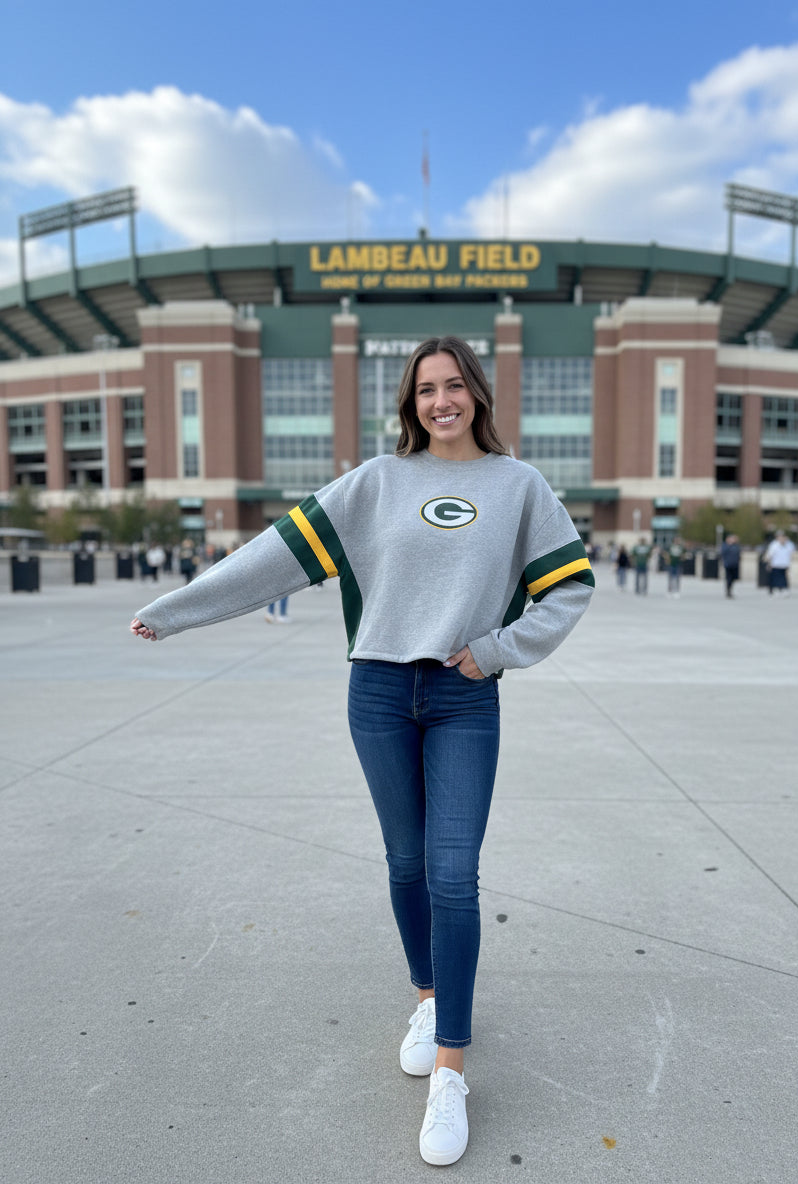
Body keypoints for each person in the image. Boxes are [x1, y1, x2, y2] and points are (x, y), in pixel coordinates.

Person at [129, 336, 595, 1167]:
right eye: (426, 390)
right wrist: (177, 608)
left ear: (478, 394)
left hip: (463, 696)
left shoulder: (520, 486)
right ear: (410, 403)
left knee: (454, 873)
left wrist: (495, 651)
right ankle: (429, 996)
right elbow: (271, 555)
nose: (441, 401)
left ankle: (451, 1067)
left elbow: (571, 586)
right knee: (406, 864)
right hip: (379, 691)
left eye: (455, 386)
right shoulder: (375, 483)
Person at [765, 530, 795, 596]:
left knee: (784, 577)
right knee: (776, 578)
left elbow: (791, 554)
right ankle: (776, 589)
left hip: (784, 564)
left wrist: (790, 563)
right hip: (775, 564)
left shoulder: (789, 545)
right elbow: (770, 555)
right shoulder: (774, 545)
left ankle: (784, 589)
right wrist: (769, 563)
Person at [721, 533, 741, 599]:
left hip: (735, 564)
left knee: (733, 578)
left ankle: (730, 589)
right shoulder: (725, 546)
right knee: (728, 578)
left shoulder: (736, 546)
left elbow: (738, 554)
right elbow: (723, 554)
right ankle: (728, 590)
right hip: (728, 564)